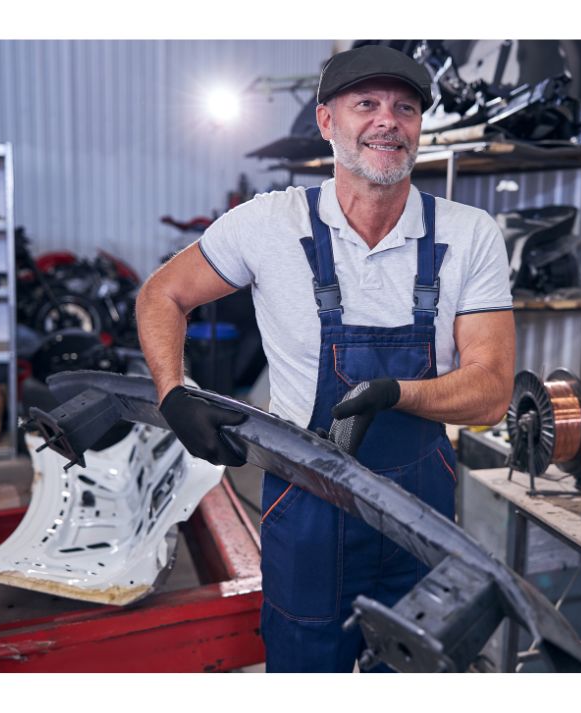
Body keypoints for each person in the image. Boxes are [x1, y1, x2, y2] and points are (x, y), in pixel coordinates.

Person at [135, 44, 516, 672]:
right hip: (308, 506)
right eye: (365, 103)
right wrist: (173, 391)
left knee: (418, 670)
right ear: (326, 121)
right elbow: (162, 293)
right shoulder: (267, 225)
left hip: (419, 511)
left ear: (420, 125)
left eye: (406, 107)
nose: (387, 120)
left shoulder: (468, 233)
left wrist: (397, 394)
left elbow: (492, 390)